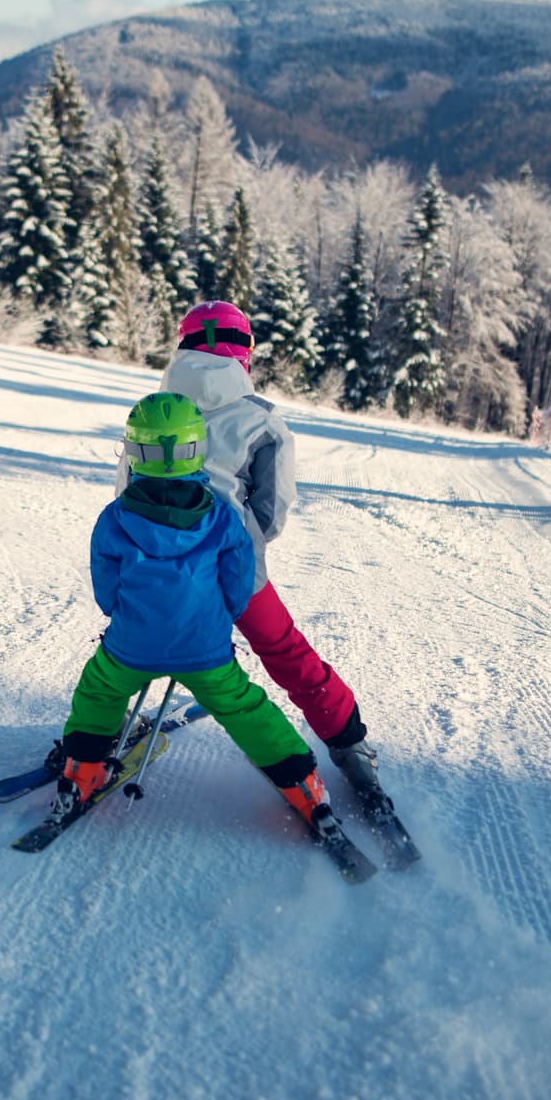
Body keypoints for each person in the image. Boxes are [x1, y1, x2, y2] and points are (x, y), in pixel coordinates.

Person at [121, 300, 390, 807]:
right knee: (285, 651)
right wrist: (243, 544)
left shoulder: (152, 411)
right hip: (234, 566)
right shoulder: (261, 419)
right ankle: (350, 745)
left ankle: (103, 731)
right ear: (244, 353)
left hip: (154, 564)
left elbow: (125, 493)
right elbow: (273, 509)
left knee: (132, 638)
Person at [54, 391, 341, 836]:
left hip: (130, 648)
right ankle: (302, 784)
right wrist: (214, 619)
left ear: (133, 450)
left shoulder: (114, 519)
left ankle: (82, 772)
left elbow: (106, 592)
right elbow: (239, 585)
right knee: (246, 709)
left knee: (99, 691)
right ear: (198, 448)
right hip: (205, 653)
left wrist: (128, 616)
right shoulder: (224, 518)